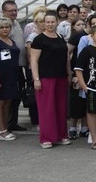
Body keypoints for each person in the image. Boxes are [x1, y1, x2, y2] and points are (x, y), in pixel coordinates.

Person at [29, 12, 71, 149]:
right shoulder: (39, 40)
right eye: (47, 22)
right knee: (47, 109)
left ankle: (62, 135)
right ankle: (46, 138)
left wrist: (69, 73)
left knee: (61, 108)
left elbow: (66, 58)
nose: (50, 24)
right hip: (45, 78)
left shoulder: (60, 37)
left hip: (61, 77)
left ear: (57, 22)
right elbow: (33, 61)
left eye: (53, 22)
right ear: (43, 23)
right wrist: (36, 79)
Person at [0, 17, 21, 141]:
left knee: (8, 103)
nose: (5, 29)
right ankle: (0, 130)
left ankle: (5, 128)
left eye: (7, 27)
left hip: (11, 77)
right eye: (2, 27)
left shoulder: (12, 41)